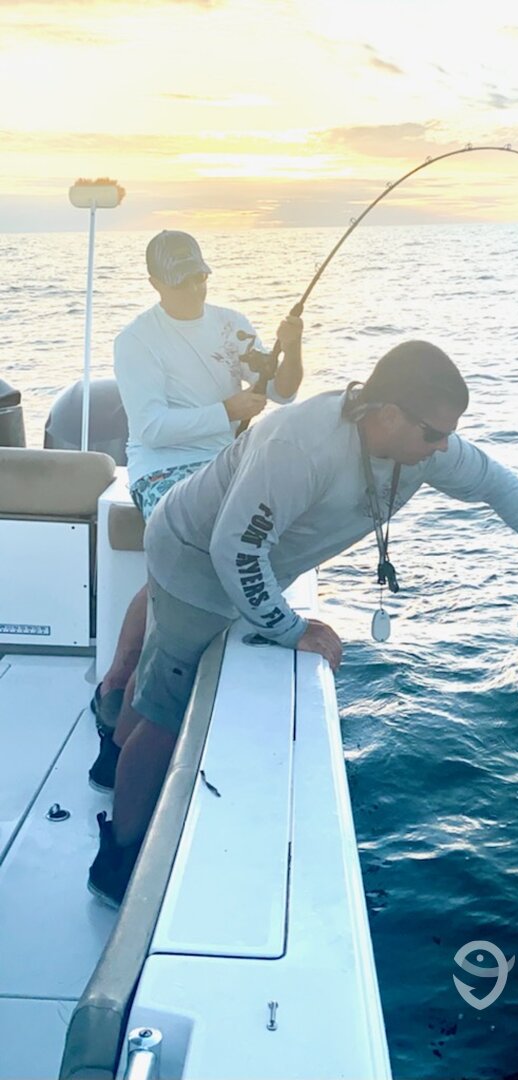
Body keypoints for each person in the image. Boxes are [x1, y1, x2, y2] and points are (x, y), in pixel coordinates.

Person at [88, 340, 518, 906]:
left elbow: (497, 484)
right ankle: (116, 860)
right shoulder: (300, 446)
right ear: (388, 415)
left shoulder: (424, 448)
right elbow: (234, 550)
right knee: (165, 714)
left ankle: (109, 760)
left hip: (226, 558)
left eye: (448, 434)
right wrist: (292, 630)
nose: (443, 446)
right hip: (194, 562)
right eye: (433, 433)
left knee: (160, 671)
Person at [89, 230, 303, 790]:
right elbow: (152, 426)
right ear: (156, 282)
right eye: (182, 279)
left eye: (201, 274)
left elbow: (281, 391)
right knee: (190, 552)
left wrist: (291, 344)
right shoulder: (137, 340)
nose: (195, 286)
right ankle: (123, 683)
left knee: (254, 537)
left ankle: (142, 688)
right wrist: (225, 408)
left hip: (228, 460)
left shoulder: (231, 325)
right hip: (161, 466)